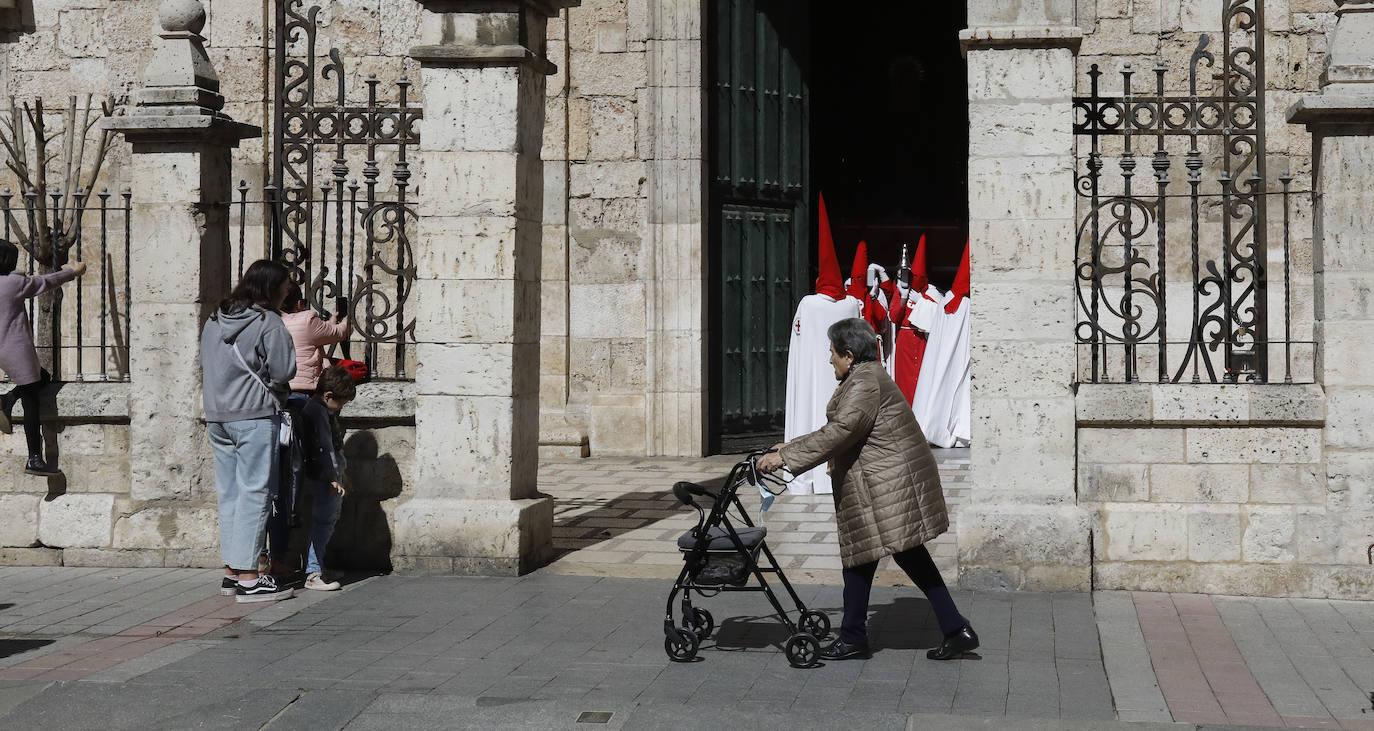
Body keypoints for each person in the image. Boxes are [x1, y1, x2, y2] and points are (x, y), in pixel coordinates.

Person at [759, 317, 979, 661]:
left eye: (832, 353)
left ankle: (855, 637)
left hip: (886, 484)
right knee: (886, 556)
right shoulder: (864, 377)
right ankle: (951, 629)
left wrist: (786, 457)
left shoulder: (865, 382)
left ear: (848, 355)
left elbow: (842, 431)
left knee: (868, 557)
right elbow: (842, 428)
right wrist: (788, 445)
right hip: (882, 482)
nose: (829, 359)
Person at [201, 259, 297, 603]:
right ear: (272, 287)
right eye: (285, 286)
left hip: (217, 415)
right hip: (254, 414)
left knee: (230, 493)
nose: (288, 292)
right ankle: (250, 579)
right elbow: (285, 370)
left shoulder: (215, 318)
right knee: (256, 493)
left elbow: (206, 363)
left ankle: (232, 571)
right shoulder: (267, 321)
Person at [782, 192, 861, 496]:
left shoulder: (809, 304)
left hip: (811, 383)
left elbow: (798, 344)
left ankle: (807, 477)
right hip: (841, 384)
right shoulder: (851, 304)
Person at [0, 240, 85, 476]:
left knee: (42, 377)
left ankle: (7, 400)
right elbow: (45, 282)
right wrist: (73, 271)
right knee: (31, 401)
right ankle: (34, 458)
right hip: (16, 348)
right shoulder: (13, 284)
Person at [267, 365, 354, 591]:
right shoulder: (318, 412)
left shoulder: (319, 409)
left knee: (325, 522)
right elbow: (323, 448)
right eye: (341, 403)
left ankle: (318, 567)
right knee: (324, 522)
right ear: (328, 396)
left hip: (327, 477)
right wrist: (333, 477)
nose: (341, 408)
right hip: (325, 479)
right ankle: (314, 572)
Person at [281, 284, 349, 394]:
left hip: (281, 385)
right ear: (299, 303)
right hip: (304, 386)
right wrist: (346, 322)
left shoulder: (273, 320)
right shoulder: (307, 320)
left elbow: (310, 333)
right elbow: (339, 333)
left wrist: (330, 323)